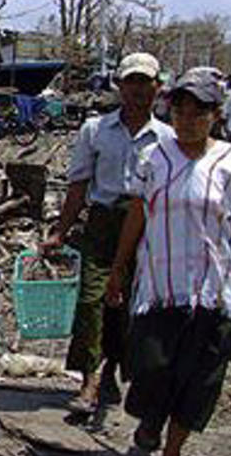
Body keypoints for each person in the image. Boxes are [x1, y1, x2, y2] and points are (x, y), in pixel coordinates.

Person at [105, 67, 231, 456]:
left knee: (200, 377)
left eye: (199, 111)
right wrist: (118, 270)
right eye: (181, 110)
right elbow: (137, 214)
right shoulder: (154, 157)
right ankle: (150, 423)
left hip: (216, 289)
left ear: (215, 116)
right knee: (152, 365)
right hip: (160, 284)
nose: (188, 118)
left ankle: (171, 454)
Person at [42, 52, 172, 415]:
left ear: (157, 88)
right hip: (101, 223)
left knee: (129, 306)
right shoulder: (95, 130)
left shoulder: (167, 138)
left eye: (145, 82)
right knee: (90, 301)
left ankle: (113, 369)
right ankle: (90, 380)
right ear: (119, 86)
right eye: (130, 82)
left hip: (146, 226)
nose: (137, 90)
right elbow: (78, 186)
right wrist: (60, 232)